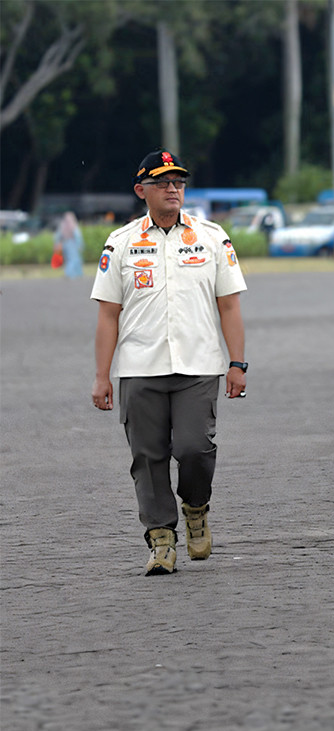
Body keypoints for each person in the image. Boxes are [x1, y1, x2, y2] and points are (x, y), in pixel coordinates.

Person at [90, 149, 247, 576]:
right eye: (163, 182)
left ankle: (196, 507)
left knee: (194, 448)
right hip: (140, 368)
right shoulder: (121, 243)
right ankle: (161, 540)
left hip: (198, 366)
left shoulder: (212, 237)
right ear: (142, 190)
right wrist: (101, 376)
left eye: (178, 182)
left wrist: (238, 363)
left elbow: (229, 306)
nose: (173, 188)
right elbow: (108, 314)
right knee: (147, 456)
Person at [54, 211, 84, 278]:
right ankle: (70, 274)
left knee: (71, 260)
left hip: (66, 244)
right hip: (72, 245)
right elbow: (78, 236)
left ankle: (76, 274)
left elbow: (57, 237)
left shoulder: (63, 226)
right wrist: (80, 245)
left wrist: (57, 244)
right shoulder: (73, 225)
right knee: (73, 260)